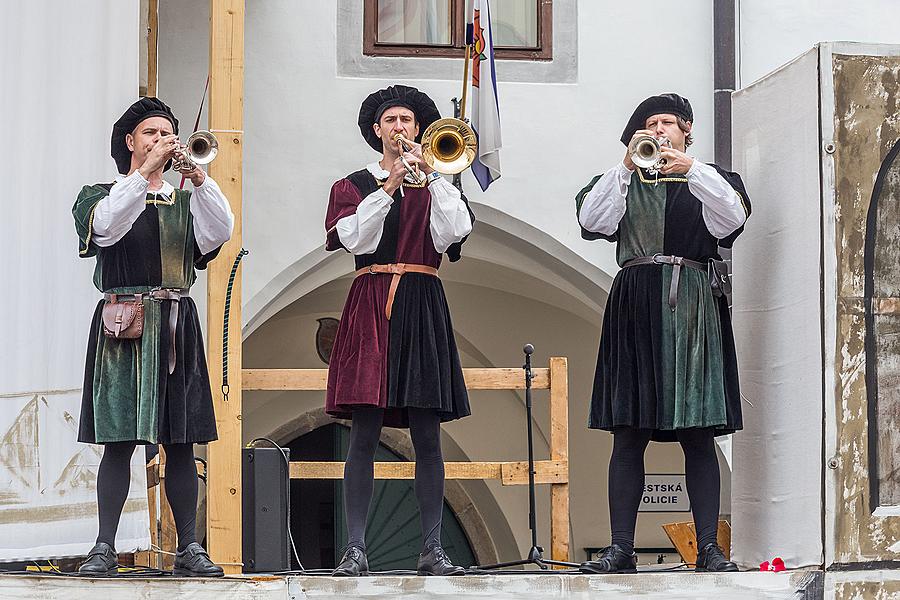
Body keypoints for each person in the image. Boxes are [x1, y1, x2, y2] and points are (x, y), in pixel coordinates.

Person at [575, 93, 750, 574]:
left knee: (698, 434)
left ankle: (709, 549)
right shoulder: (622, 181)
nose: (658, 130)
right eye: (650, 124)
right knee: (628, 434)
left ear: (687, 130)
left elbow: (733, 219)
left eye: (667, 123)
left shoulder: (711, 180)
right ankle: (620, 548)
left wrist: (690, 167)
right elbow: (592, 221)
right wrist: (626, 165)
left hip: (692, 306)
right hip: (635, 304)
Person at [72, 97, 233, 577]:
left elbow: (219, 230)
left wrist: (199, 177)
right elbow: (105, 228)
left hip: (176, 325)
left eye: (167, 133)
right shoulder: (99, 194)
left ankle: (190, 546)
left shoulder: (186, 200)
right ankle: (104, 546)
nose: (161, 140)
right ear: (130, 142)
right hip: (123, 326)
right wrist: (145, 175)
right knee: (118, 440)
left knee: (180, 441)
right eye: (151, 133)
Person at [324, 85, 474, 577]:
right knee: (364, 430)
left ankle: (433, 549)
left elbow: (455, 232)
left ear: (420, 129)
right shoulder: (353, 185)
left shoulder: (437, 183)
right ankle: (355, 549)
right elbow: (352, 238)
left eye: (407, 121)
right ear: (376, 130)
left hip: (422, 301)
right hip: (371, 303)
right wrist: (388, 187)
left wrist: (433, 180)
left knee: (427, 433)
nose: (400, 129)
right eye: (391, 121)